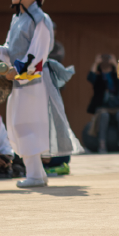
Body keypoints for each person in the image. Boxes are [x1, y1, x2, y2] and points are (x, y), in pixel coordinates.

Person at [0, 0, 80, 188]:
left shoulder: (40, 19)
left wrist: (17, 70)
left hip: (33, 80)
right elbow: (12, 49)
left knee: (30, 124)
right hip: (18, 78)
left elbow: (38, 53)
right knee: (19, 124)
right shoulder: (17, 19)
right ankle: (36, 173)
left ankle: (35, 175)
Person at [43, 37, 76, 176]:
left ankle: (54, 162)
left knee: (64, 156)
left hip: (53, 91)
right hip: (37, 99)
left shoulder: (55, 49)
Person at [86, 53, 119, 153]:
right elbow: (90, 77)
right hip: (103, 107)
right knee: (104, 116)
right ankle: (102, 143)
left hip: (117, 107)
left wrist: (114, 62)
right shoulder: (98, 77)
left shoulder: (115, 76)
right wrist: (96, 63)